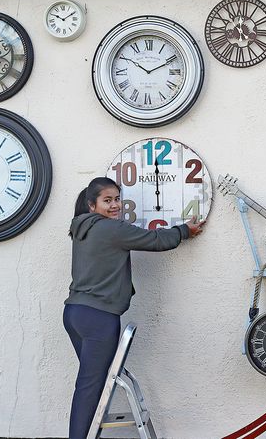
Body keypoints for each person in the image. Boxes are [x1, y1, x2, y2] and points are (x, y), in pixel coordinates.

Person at [62, 177, 204, 439]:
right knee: (89, 388)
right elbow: (155, 240)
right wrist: (185, 230)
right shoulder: (110, 229)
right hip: (98, 317)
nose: (115, 205)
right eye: (108, 200)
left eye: (117, 199)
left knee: (92, 385)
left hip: (74, 313)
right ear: (92, 205)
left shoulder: (82, 229)